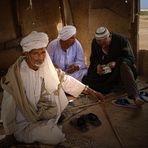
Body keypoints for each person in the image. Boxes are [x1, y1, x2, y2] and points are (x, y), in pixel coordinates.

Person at [0, 31, 104, 146]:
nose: (40, 58)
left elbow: (65, 79)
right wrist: (9, 133)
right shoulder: (16, 75)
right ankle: (18, 135)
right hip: (24, 121)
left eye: (43, 53)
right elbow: (7, 105)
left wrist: (91, 91)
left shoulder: (46, 66)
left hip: (44, 113)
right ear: (26, 54)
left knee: (57, 82)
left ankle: (52, 119)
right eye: (36, 53)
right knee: (55, 137)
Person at [82, 26, 144, 106]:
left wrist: (116, 63)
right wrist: (97, 66)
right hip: (107, 70)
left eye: (104, 43)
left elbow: (130, 58)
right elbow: (93, 59)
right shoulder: (95, 43)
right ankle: (115, 85)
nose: (103, 46)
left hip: (122, 70)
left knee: (124, 65)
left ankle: (135, 96)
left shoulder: (121, 40)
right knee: (87, 80)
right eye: (100, 43)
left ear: (110, 37)